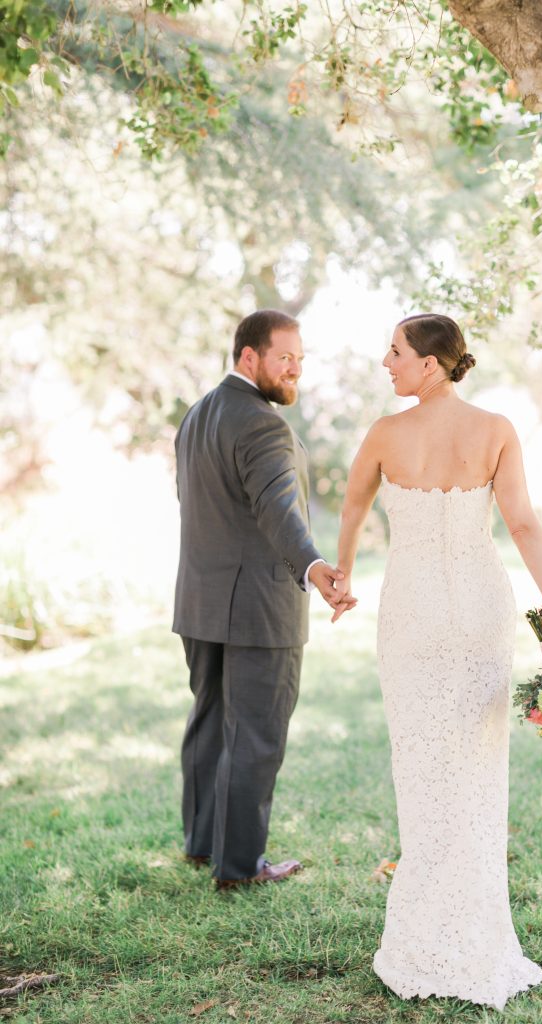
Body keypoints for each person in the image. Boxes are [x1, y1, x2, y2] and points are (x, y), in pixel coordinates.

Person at [334, 313, 542, 1010]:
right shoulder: (494, 430)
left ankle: (426, 938)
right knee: (474, 774)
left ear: (432, 364)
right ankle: (473, 939)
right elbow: (522, 523)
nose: (386, 362)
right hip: (477, 607)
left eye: (396, 352)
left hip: (410, 613)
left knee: (420, 770)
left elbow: (351, 508)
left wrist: (343, 577)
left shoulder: (384, 435)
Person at [172, 309, 353, 890]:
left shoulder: (198, 415)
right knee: (255, 733)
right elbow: (278, 509)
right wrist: (314, 567)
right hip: (256, 606)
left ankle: (204, 845)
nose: (296, 369)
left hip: (201, 601)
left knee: (209, 723)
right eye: (284, 358)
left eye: (300, 359)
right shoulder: (264, 425)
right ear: (249, 357)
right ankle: (240, 865)